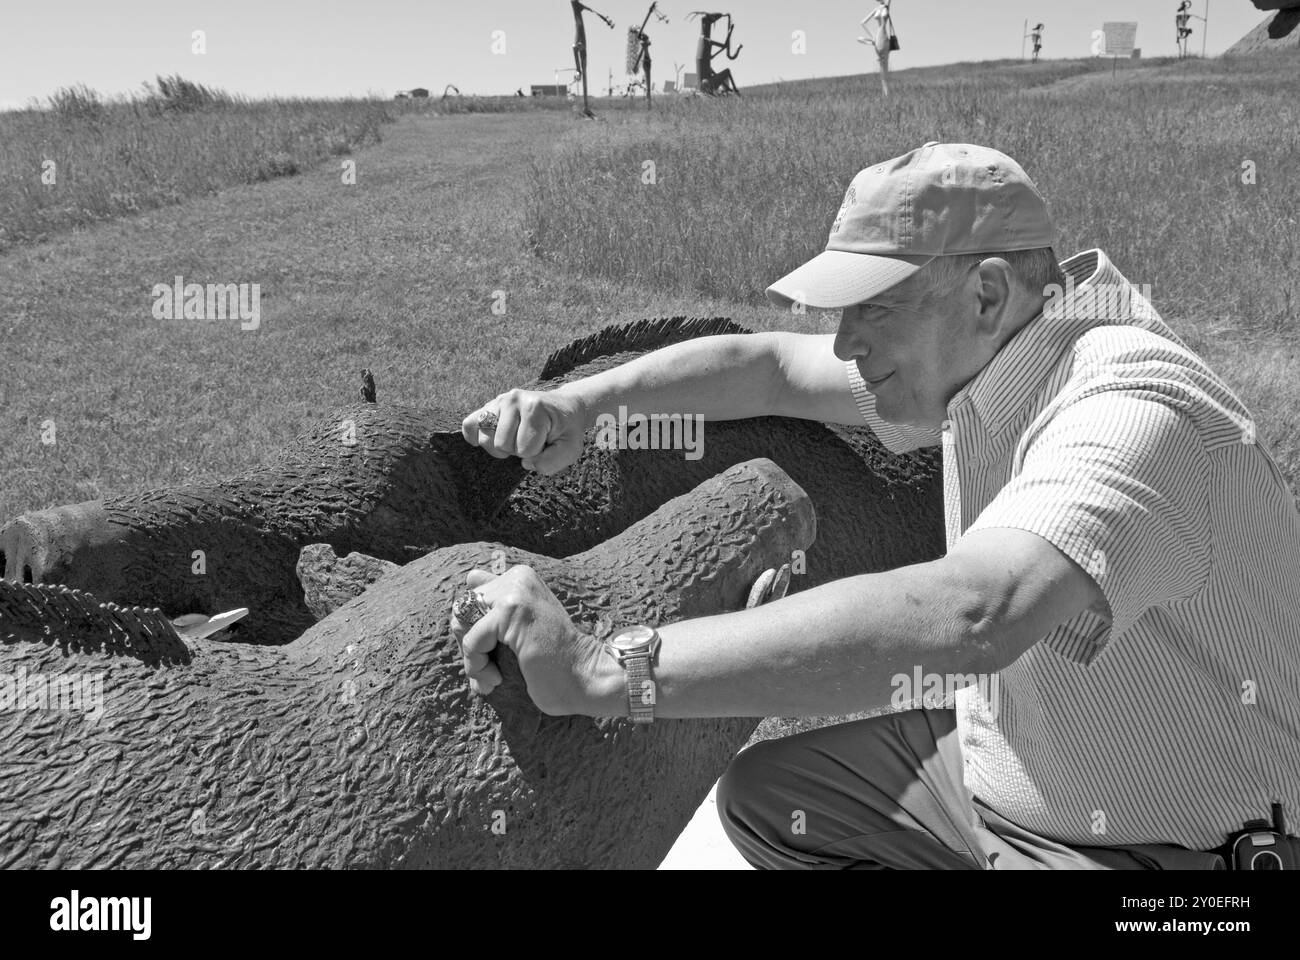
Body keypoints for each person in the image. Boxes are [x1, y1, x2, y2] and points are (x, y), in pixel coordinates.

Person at [456, 142, 1300, 869]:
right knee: (763, 796)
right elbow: (771, 368)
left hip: (1177, 854)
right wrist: (581, 407)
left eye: (874, 308)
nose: (848, 341)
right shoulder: (992, 357)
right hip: (1011, 782)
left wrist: (607, 673)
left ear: (987, 293)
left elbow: (969, 616)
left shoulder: (1133, 408)